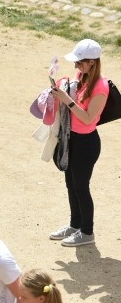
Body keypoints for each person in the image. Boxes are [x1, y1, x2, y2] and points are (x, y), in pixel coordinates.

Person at [47, 39, 109, 247]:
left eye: (79, 62)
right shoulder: (81, 77)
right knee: (70, 184)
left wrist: (67, 99)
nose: (76, 66)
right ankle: (75, 225)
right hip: (71, 139)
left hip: (86, 144)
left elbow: (88, 118)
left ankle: (87, 232)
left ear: (92, 62)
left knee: (81, 187)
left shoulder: (101, 87)